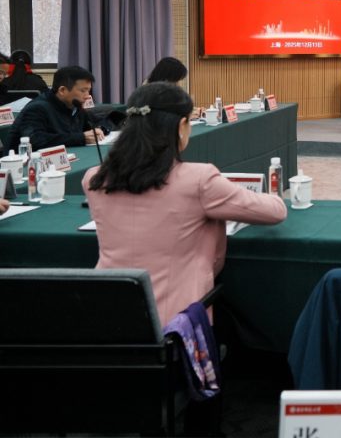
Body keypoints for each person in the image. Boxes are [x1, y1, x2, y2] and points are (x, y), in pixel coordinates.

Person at [84, 82, 287, 324]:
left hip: (106, 316)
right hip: (177, 325)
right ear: (181, 126)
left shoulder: (93, 178)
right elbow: (275, 211)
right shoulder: (198, 179)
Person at [8, 65, 112, 150]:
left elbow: (102, 121)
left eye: (88, 91)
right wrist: (81, 138)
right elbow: (35, 139)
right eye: (83, 91)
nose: (87, 96)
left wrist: (99, 129)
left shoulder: (74, 107)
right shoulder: (37, 108)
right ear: (63, 90)